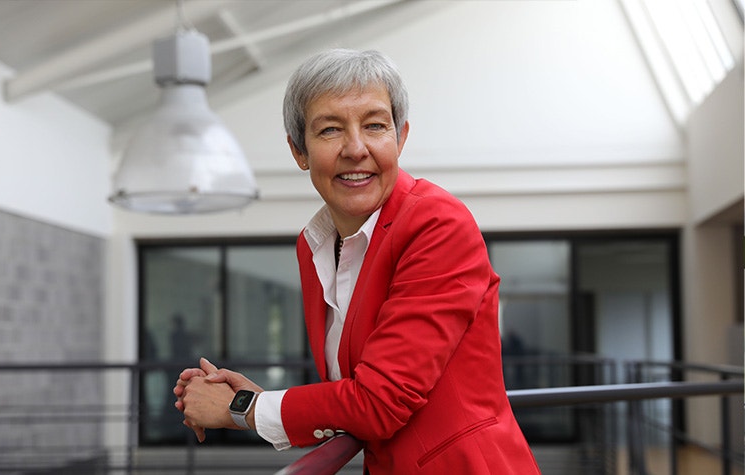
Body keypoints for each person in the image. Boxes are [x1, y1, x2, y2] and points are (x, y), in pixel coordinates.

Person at [173, 48, 541, 474]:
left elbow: (379, 403)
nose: (355, 148)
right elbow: (355, 393)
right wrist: (257, 400)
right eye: (330, 130)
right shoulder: (315, 245)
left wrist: (242, 409)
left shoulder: (437, 224)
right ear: (299, 151)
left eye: (375, 125)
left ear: (400, 137)